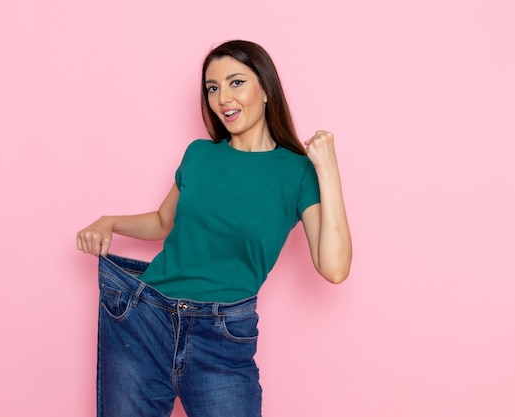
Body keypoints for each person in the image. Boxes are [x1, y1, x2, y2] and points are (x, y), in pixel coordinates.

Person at [77, 40, 352, 417]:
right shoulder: (199, 154)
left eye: (236, 82)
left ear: (266, 89)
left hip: (222, 335)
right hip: (144, 320)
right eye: (213, 87)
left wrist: (328, 169)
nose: (223, 97)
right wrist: (110, 222)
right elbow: (162, 222)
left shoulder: (297, 172)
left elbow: (334, 268)